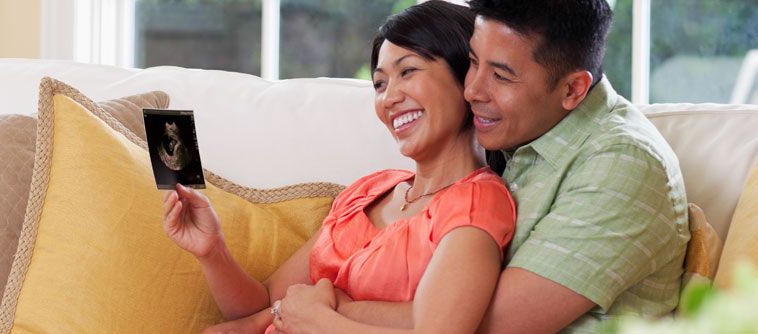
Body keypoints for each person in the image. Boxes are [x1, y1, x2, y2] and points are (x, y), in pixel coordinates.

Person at [285, 1, 690, 332]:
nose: (473, 89)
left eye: (500, 75)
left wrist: (329, 308)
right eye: (473, 62)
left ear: (573, 89)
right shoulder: (522, 137)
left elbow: (485, 323)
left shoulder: (621, 164)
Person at [161, 2, 517, 333]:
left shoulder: (476, 203)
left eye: (408, 71)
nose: (389, 98)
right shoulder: (367, 192)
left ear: (466, 80)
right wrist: (212, 249)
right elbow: (265, 302)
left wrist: (325, 317)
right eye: (379, 83)